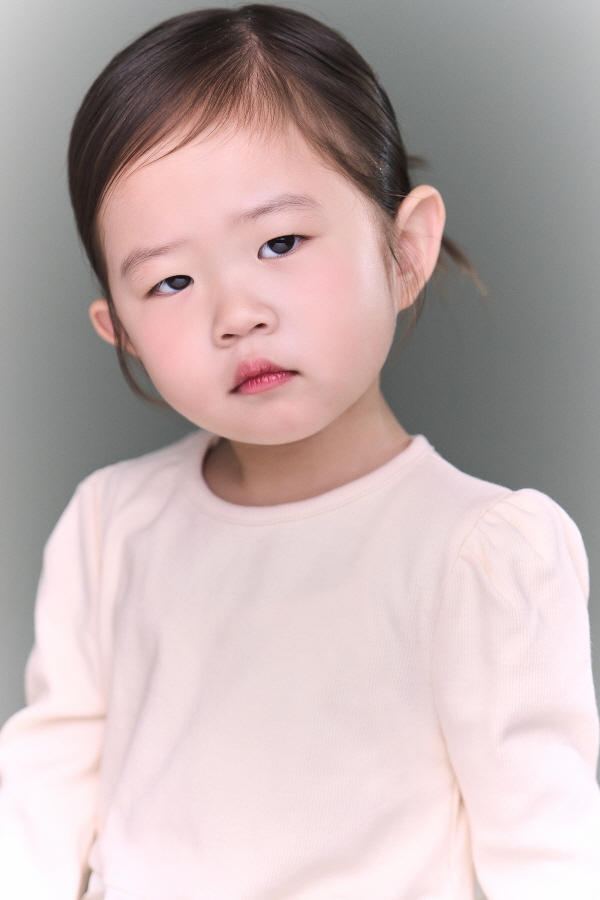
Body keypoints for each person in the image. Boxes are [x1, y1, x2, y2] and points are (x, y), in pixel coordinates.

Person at [0, 5, 599, 899]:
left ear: (404, 250)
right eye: (171, 281)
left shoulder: (478, 554)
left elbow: (548, 854)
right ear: (119, 330)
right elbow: (40, 803)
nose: (236, 314)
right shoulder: (110, 526)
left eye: (280, 243)